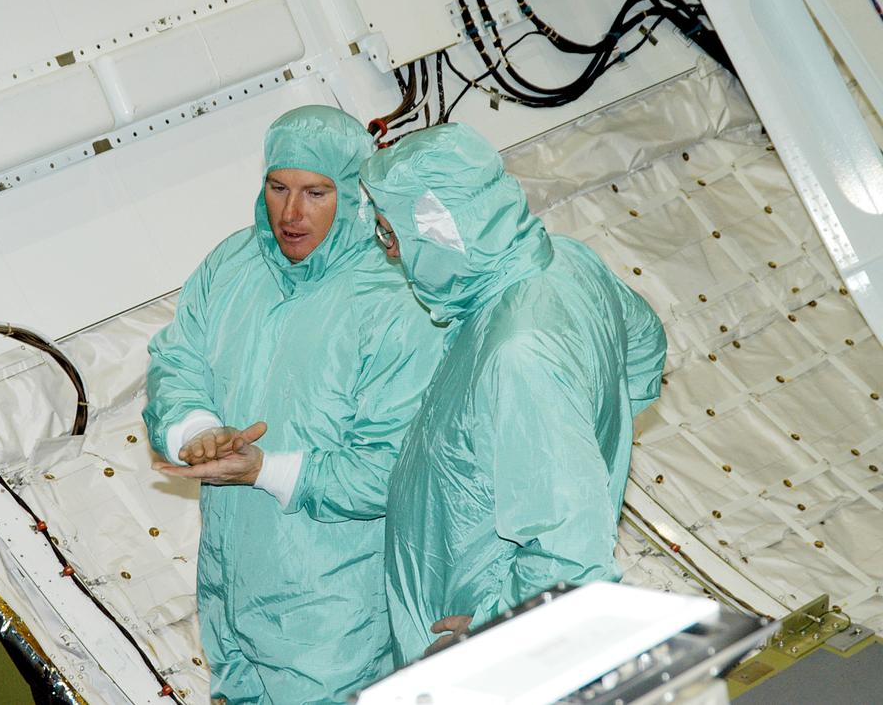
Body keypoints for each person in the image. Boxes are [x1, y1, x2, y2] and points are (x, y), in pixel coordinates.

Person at [144, 105, 444, 703]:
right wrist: (195, 429)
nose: (291, 213)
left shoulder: (394, 302)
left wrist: (265, 470)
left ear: (356, 195)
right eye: (278, 187)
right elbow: (177, 361)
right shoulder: (232, 265)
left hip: (333, 617)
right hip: (231, 594)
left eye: (316, 192)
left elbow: (394, 470)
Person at [361, 123, 666, 666]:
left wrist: (497, 631)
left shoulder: (516, 354)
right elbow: (644, 348)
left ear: (438, 232)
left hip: (498, 656)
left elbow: (571, 559)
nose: (388, 253)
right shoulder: (565, 262)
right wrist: (593, 439)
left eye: (391, 233)